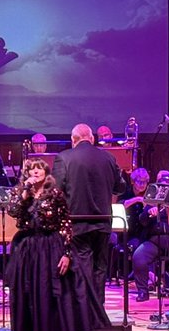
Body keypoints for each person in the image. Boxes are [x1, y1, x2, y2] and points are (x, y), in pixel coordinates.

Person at [7, 158, 107, 331]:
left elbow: (66, 224)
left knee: (55, 293)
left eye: (39, 169)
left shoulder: (54, 194)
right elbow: (13, 211)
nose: (35, 172)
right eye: (31, 170)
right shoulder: (21, 193)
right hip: (28, 248)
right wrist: (24, 193)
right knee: (27, 292)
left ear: (46, 173)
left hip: (50, 246)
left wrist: (67, 253)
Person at [53, 123, 125, 303]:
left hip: (77, 222)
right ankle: (97, 312)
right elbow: (121, 187)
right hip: (103, 221)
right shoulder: (108, 157)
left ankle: (84, 313)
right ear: (92, 139)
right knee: (100, 268)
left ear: (73, 140)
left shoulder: (64, 158)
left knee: (82, 267)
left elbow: (55, 190)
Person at [125, 168, 169, 302]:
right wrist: (148, 213)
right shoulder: (153, 199)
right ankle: (143, 291)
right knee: (139, 256)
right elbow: (142, 220)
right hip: (155, 241)